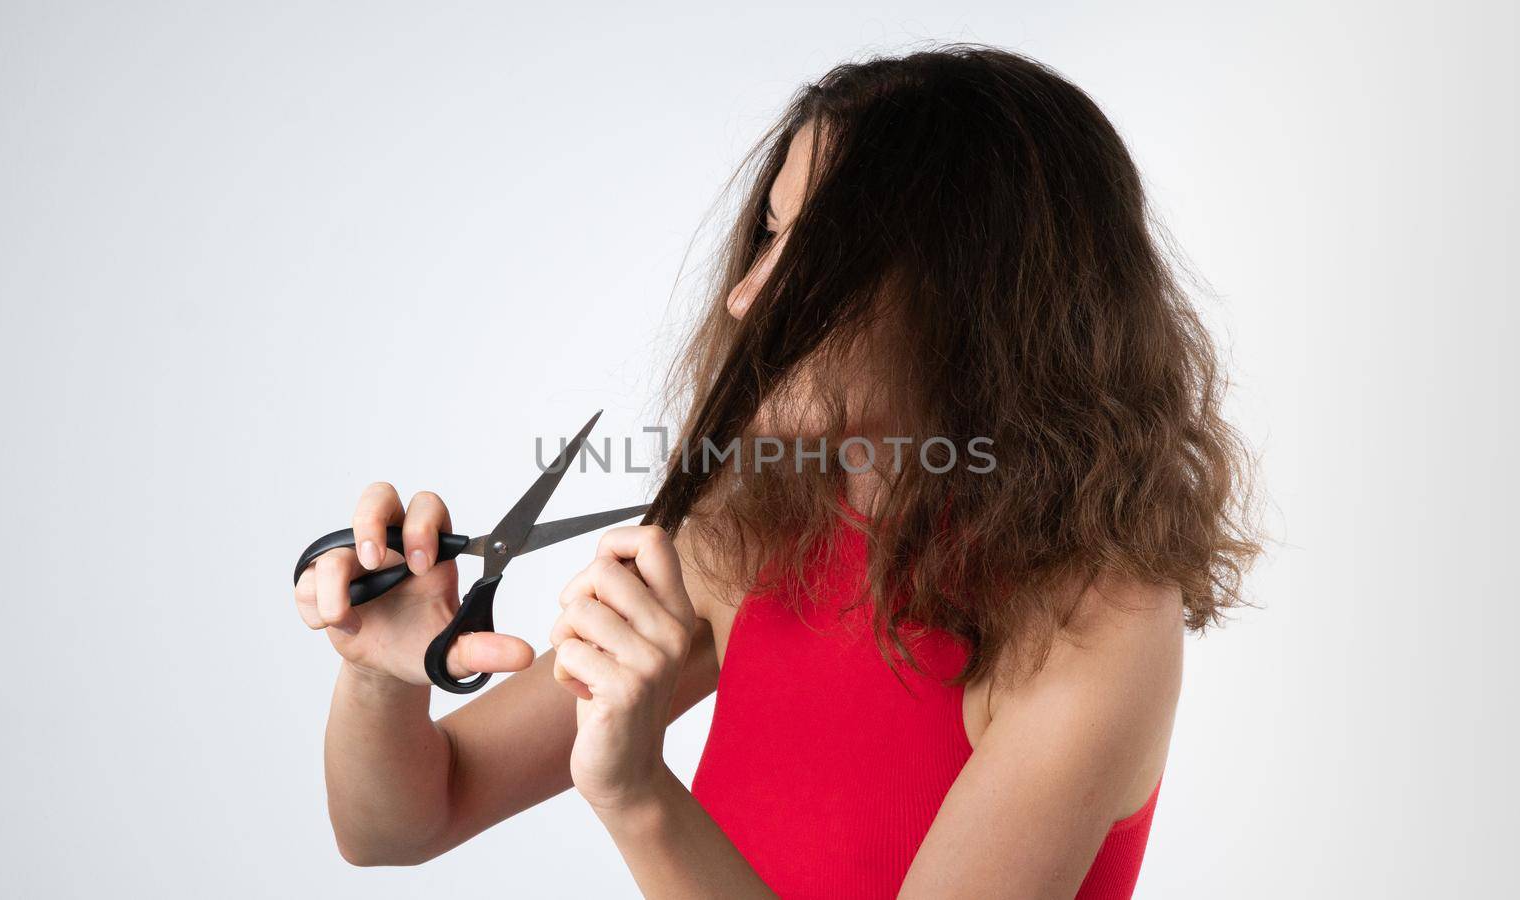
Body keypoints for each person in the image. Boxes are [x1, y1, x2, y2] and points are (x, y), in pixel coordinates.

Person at [293, 45, 1261, 899]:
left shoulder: (1097, 624)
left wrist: (637, 796)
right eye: (767, 232)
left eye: (818, 248)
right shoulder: (750, 536)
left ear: (973, 286)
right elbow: (401, 827)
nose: (749, 294)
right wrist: (384, 673)